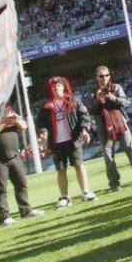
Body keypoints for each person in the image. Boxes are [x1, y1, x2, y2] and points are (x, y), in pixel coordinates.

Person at [36, 75, 97, 209]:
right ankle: (65, 197)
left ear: (63, 87)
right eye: (53, 87)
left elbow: (84, 117)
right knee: (61, 170)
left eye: (58, 86)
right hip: (56, 142)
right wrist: (42, 133)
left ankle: (85, 191)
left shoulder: (73, 101)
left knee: (79, 165)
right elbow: (40, 123)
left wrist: (85, 130)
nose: (56, 88)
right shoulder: (46, 106)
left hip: (73, 139)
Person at [89, 66, 132, 190]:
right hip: (104, 127)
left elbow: (126, 102)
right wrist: (98, 100)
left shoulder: (116, 87)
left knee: (130, 149)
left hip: (121, 124)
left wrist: (111, 97)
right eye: (101, 76)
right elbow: (90, 110)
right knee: (108, 155)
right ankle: (114, 183)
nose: (104, 78)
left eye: (107, 75)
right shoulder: (92, 92)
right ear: (96, 77)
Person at [0, 102, 43, 225]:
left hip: (14, 155)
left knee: (21, 184)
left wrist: (16, 120)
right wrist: (5, 122)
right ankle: (4, 216)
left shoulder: (10, 115)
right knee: (0, 189)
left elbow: (23, 126)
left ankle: (26, 210)